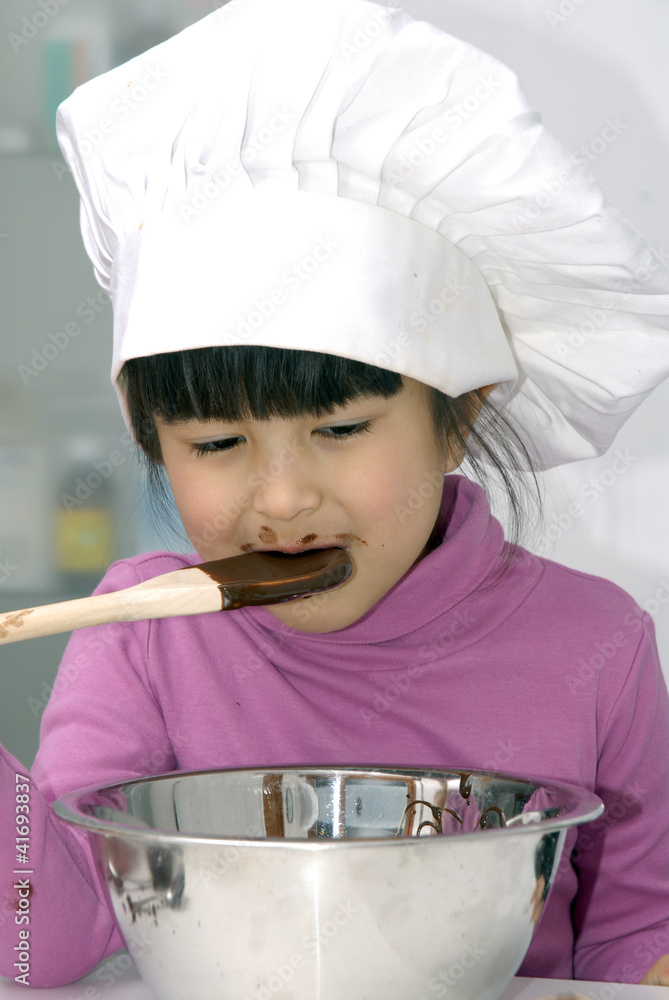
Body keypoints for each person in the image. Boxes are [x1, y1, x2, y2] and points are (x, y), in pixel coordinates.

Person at [2, 0, 669, 989]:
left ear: (459, 414)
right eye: (217, 442)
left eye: (341, 429)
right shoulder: (140, 635)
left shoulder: (596, 644)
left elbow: (635, 934)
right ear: (151, 442)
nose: (280, 498)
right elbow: (45, 941)